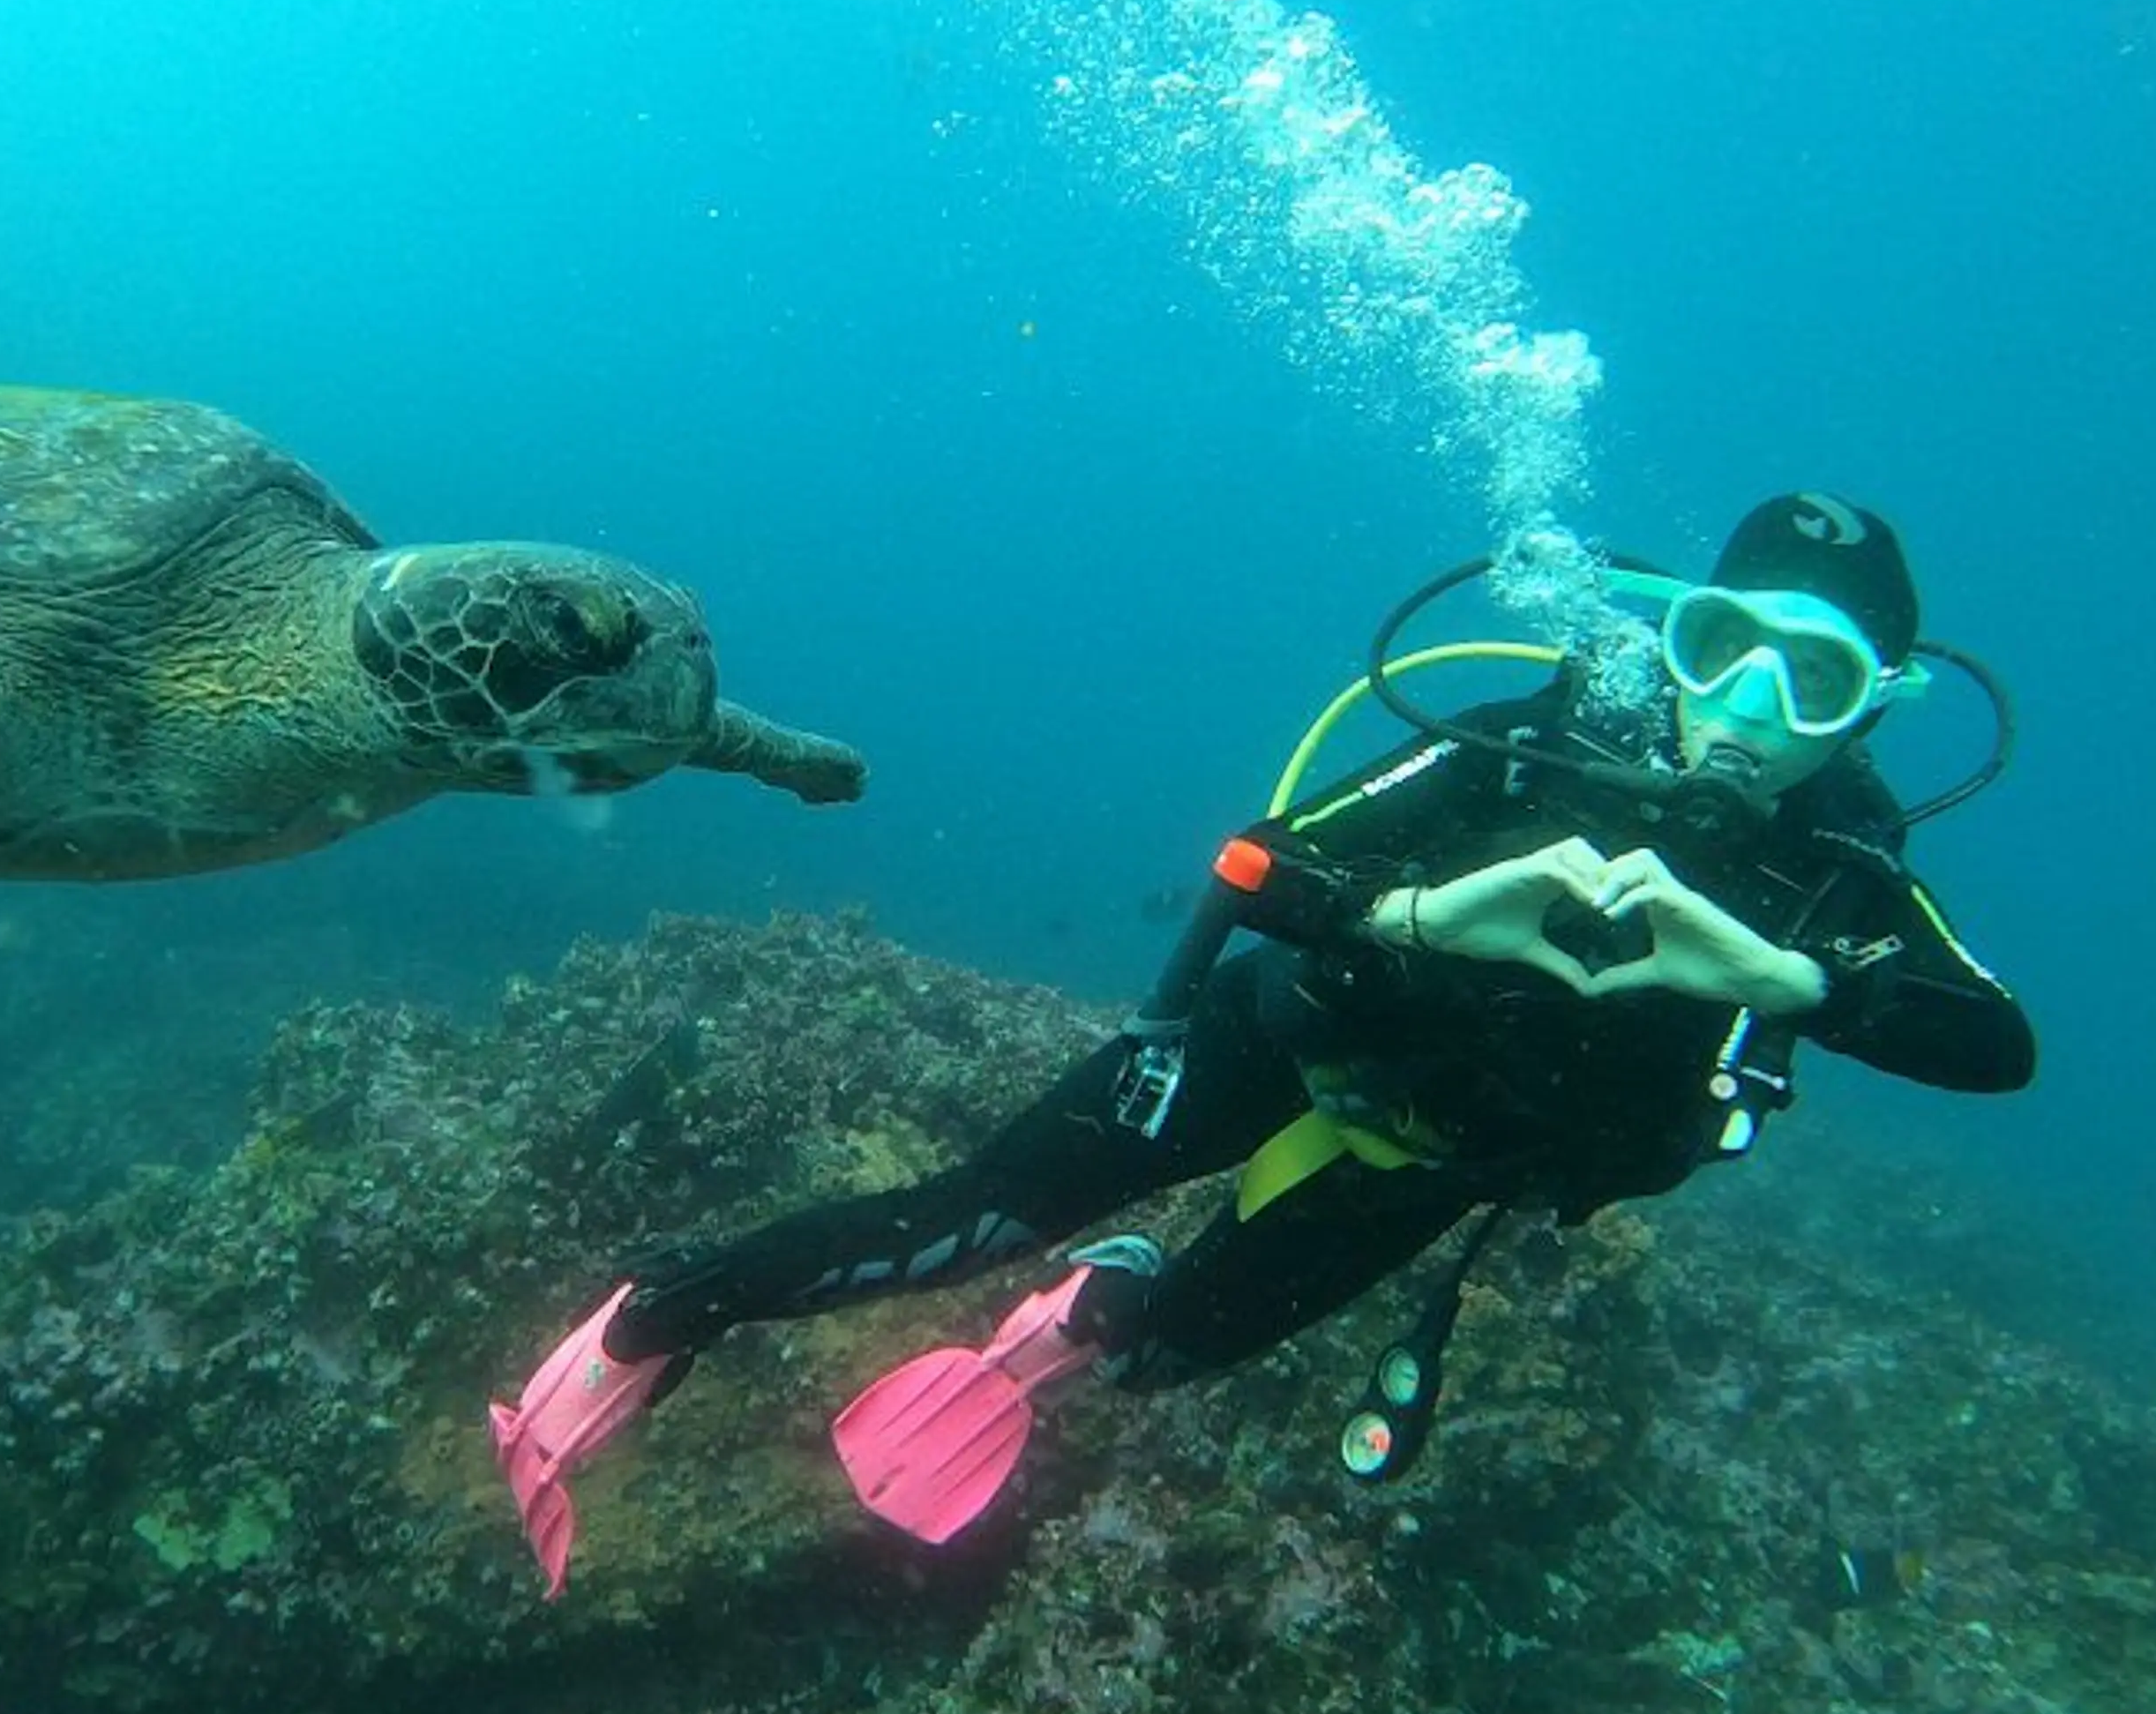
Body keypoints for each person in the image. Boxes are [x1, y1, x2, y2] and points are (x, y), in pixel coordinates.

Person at [487, 493, 2035, 1595]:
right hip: (1281, 1041)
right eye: (1718, 644)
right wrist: (1438, 914)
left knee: (1158, 1362)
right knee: (952, 1223)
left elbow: (1991, 1045)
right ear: (1672, 637)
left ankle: (1108, 1309)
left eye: (1813, 675)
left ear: (1874, 706)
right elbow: (1264, 860)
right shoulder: (1549, 737)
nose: (1748, 706)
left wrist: (1787, 975)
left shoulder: (1838, 870)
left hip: (1436, 1171)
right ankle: (660, 1315)